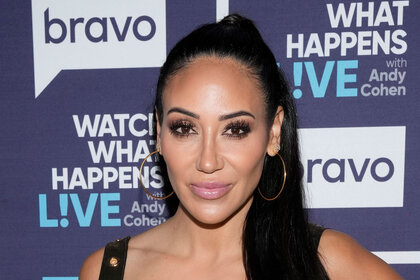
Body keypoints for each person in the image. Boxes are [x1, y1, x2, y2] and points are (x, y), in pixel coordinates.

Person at [80, 14, 402, 280]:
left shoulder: (331, 264)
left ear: (274, 132)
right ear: (159, 132)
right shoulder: (107, 271)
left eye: (235, 129)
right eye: (184, 128)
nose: (208, 161)